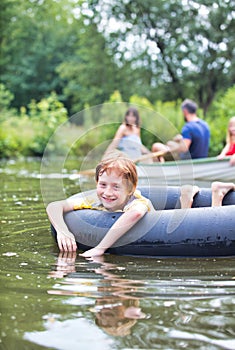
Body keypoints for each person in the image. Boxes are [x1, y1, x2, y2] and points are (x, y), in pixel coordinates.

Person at [46, 156, 152, 257]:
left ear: (130, 189)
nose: (108, 192)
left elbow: (136, 213)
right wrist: (63, 231)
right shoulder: (95, 200)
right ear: (96, 183)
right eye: (103, 185)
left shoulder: (138, 202)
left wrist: (100, 248)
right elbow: (54, 206)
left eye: (116, 187)